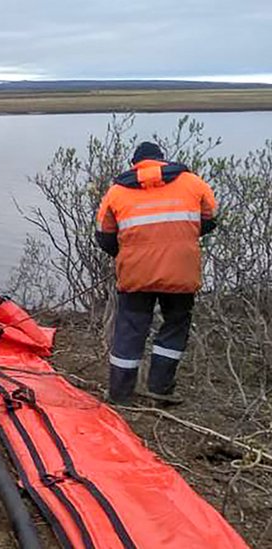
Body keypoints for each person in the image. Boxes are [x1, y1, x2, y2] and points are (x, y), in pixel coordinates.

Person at [96, 141, 218, 405]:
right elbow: (208, 220)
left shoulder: (117, 191)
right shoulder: (192, 183)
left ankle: (120, 395)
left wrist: (129, 252)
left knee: (130, 329)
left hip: (136, 274)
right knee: (175, 325)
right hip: (181, 272)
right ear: (163, 160)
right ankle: (160, 389)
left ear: (135, 164)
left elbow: (105, 238)